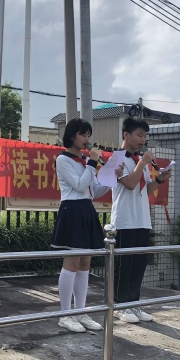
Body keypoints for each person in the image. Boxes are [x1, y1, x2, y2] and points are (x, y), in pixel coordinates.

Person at [52, 118, 121, 333]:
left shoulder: (84, 160)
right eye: (83, 135)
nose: (87, 139)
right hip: (72, 210)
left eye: (88, 135)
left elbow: (94, 190)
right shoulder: (63, 159)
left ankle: (80, 312)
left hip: (86, 210)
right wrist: (92, 163)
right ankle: (65, 315)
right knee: (71, 263)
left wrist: (112, 178)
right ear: (72, 136)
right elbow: (80, 185)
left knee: (85, 263)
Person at [111, 116, 172, 323]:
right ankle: (119, 305)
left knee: (138, 265)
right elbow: (129, 184)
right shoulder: (117, 159)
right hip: (124, 220)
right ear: (126, 134)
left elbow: (144, 189)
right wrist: (142, 163)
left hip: (142, 220)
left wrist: (159, 179)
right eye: (139, 135)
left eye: (145, 136)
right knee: (124, 265)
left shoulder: (139, 161)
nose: (143, 139)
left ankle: (133, 304)